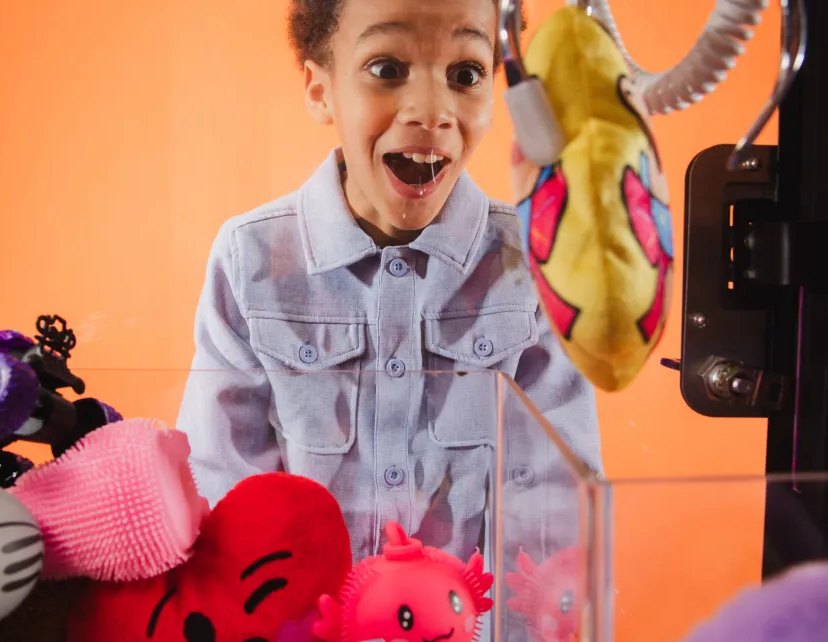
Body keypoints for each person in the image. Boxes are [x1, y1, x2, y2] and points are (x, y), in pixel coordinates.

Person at [176, 0, 602, 563]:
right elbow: (221, 489)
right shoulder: (249, 257)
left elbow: (556, 515)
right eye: (386, 69)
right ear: (320, 89)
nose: (432, 110)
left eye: (466, 74)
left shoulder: (535, 262)